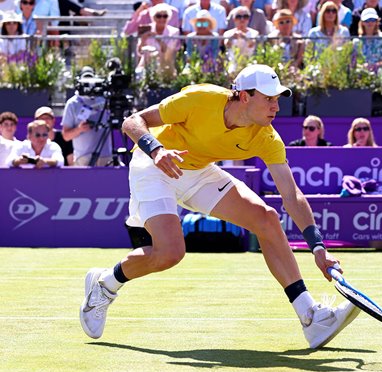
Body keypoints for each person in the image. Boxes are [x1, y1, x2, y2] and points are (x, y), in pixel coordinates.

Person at [78, 64, 360, 349]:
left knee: (266, 218)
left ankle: (311, 317)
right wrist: (157, 150)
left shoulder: (265, 136)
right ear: (245, 97)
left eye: (278, 99)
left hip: (198, 171)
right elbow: (132, 121)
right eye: (269, 98)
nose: (276, 106)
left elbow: (291, 194)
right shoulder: (201, 99)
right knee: (169, 253)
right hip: (154, 164)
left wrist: (318, 247)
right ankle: (105, 285)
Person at [61, 67, 113, 166]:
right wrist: (79, 129)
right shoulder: (72, 103)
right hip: (83, 158)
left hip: (105, 156)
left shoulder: (105, 99)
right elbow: (66, 136)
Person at [135, 3, 182, 79]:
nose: (162, 19)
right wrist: (143, 39)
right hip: (146, 65)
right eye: (158, 16)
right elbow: (139, 52)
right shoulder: (147, 29)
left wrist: (158, 38)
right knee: (138, 73)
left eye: (165, 16)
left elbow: (168, 52)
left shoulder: (174, 32)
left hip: (165, 65)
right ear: (153, 17)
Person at [224, 6, 260, 72]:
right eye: (238, 17)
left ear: (249, 19)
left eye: (245, 16)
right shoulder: (228, 33)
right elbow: (227, 45)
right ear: (234, 19)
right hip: (233, 64)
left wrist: (244, 37)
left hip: (249, 63)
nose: (242, 19)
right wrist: (232, 38)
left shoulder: (254, 33)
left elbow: (251, 45)